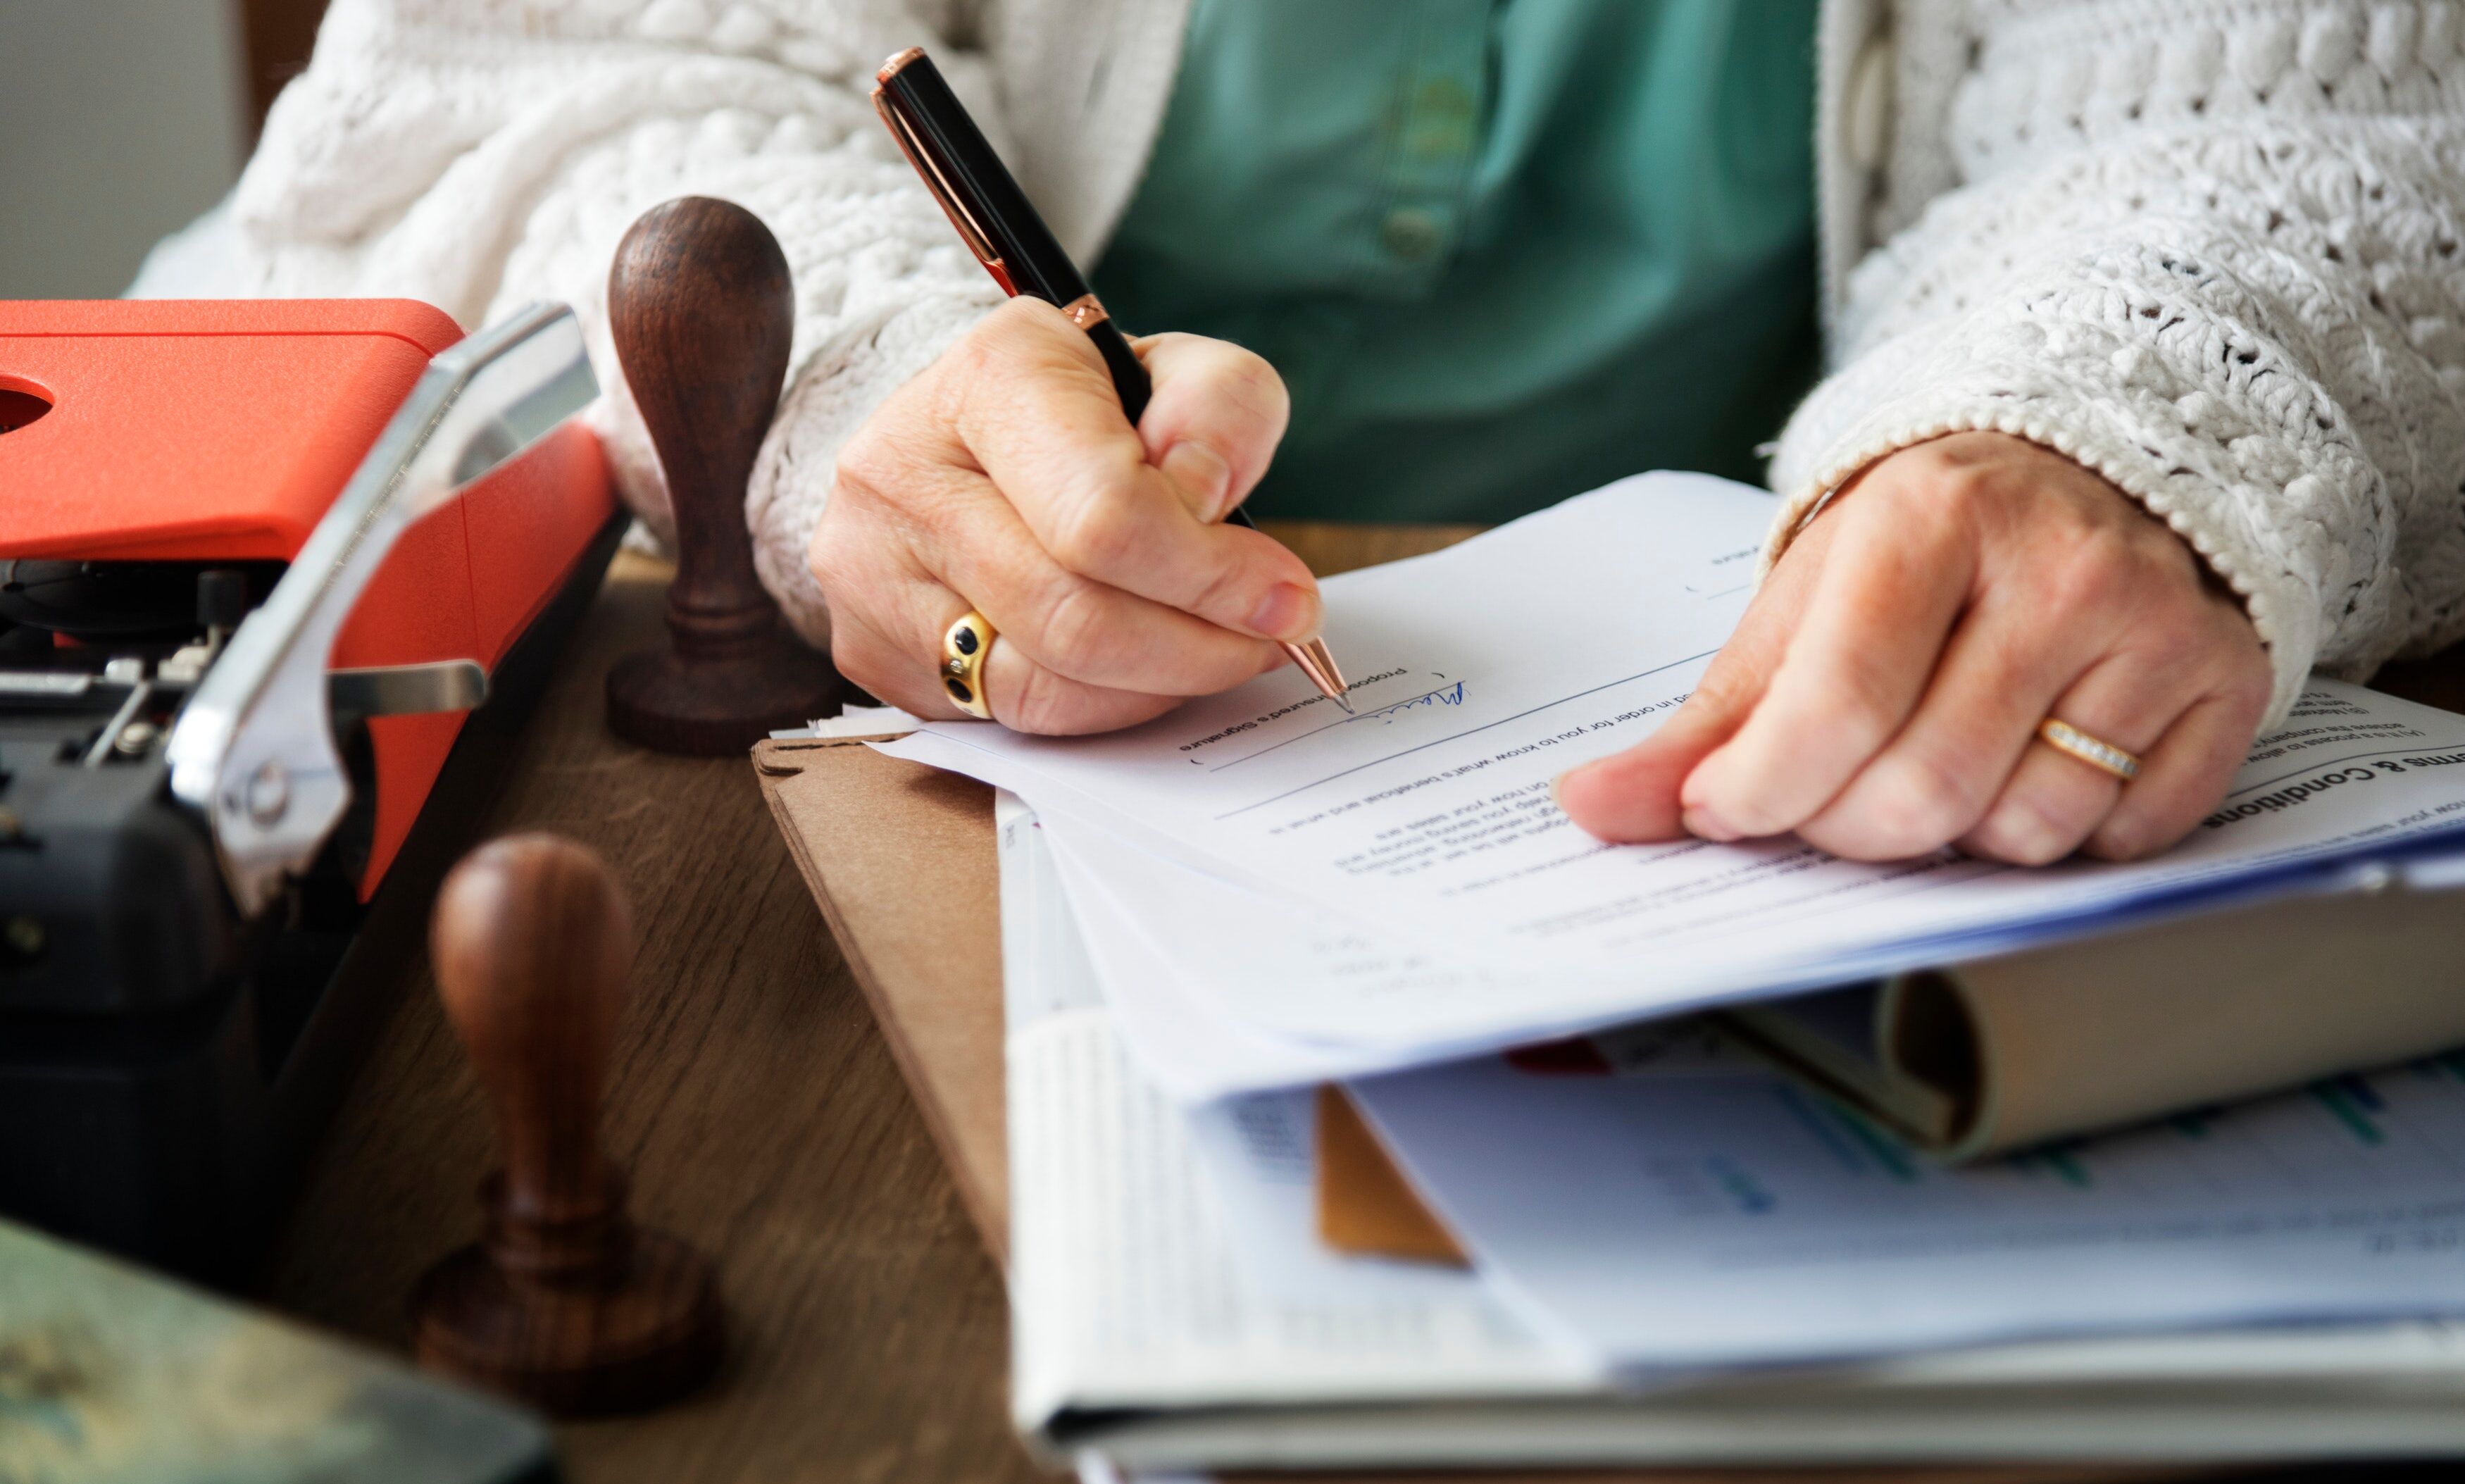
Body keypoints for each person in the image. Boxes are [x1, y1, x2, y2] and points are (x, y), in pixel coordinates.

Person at [157, 1, 2465, 867]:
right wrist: (861, 393)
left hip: (1743, 648)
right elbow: (564, 75)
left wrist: (2104, 418)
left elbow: (2287, 116)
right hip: (879, 792)